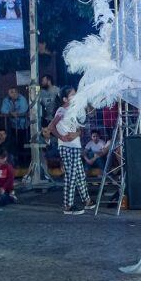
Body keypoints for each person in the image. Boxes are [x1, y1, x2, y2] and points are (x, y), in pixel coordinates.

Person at [49, 86, 95, 215]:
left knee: (80, 175)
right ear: (64, 99)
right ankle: (68, 205)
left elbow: (86, 120)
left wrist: (77, 133)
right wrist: (61, 137)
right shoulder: (62, 110)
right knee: (71, 176)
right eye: (72, 95)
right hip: (67, 146)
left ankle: (87, 201)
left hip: (75, 145)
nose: (75, 96)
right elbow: (51, 126)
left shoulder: (75, 110)